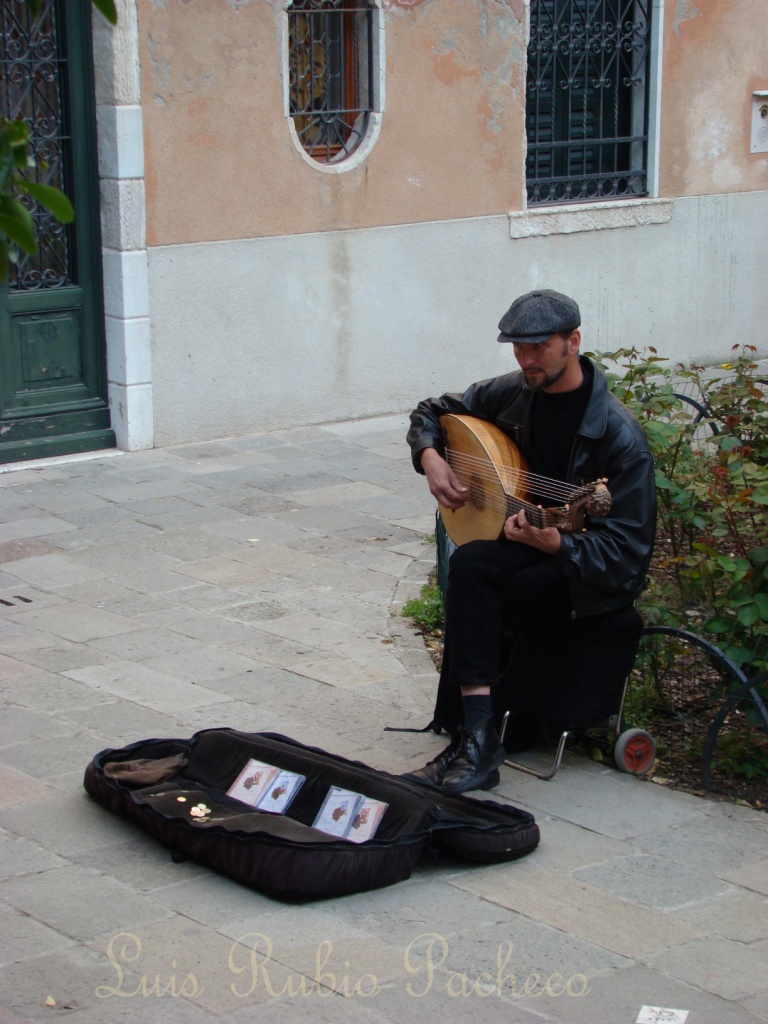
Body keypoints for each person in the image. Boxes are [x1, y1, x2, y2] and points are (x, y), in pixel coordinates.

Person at [404, 289, 656, 795]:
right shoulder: (515, 392)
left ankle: (483, 735)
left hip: (584, 582)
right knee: (473, 563)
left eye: (538, 347)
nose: (526, 359)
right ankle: (477, 735)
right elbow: (433, 410)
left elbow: (627, 560)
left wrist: (559, 546)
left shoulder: (619, 438)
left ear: (573, 341)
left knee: (501, 589)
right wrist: (430, 457)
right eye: (518, 348)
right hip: (532, 543)